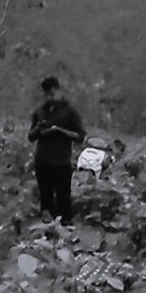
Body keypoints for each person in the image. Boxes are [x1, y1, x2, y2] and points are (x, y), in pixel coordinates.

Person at [28, 75, 86, 222]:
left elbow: (79, 136)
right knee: (45, 197)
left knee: (63, 197)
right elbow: (31, 136)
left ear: (59, 91)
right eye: (47, 94)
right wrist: (38, 128)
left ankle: (66, 227)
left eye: (52, 93)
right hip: (43, 160)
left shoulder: (70, 111)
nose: (50, 97)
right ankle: (47, 231)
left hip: (61, 161)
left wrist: (59, 130)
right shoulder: (39, 111)